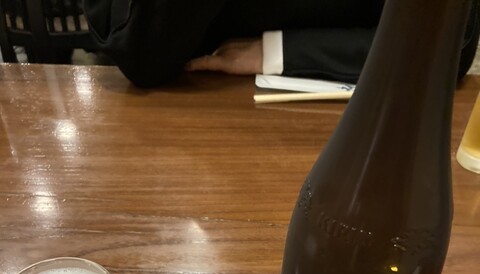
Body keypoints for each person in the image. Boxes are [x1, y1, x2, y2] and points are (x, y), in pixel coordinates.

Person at [83, 0, 480, 88]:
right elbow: (140, 53)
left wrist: (278, 50)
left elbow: (448, 45)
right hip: (188, 104)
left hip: (348, 115)